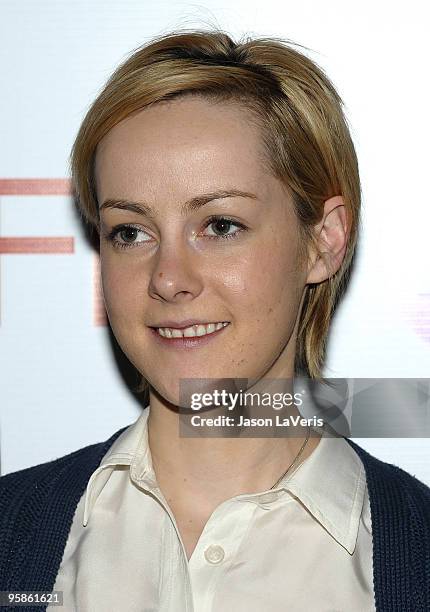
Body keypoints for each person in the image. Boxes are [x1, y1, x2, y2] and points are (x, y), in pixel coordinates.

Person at [1, 29, 429, 612]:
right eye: (131, 231)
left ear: (322, 241)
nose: (168, 277)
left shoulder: (416, 552)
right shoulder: (12, 533)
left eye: (220, 225)